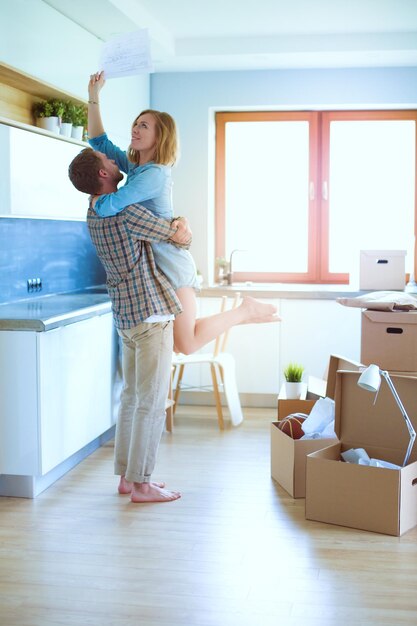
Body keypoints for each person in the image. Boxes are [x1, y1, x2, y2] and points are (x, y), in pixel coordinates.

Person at [87, 71, 280, 356]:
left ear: (159, 137)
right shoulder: (138, 168)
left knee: (185, 344)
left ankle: (244, 311)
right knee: (181, 342)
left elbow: (115, 203)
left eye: (144, 126)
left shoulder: (153, 174)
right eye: (136, 123)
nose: (135, 129)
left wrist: (93, 204)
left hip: (172, 265)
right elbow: (99, 143)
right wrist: (94, 96)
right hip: (160, 268)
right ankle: (245, 312)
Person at [68, 147, 192, 504]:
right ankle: (142, 484)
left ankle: (126, 477)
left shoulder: (93, 212)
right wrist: (183, 226)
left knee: (132, 398)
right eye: (108, 160)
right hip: (151, 314)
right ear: (104, 175)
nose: (115, 160)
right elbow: (175, 236)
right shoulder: (126, 213)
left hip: (125, 316)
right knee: (151, 403)